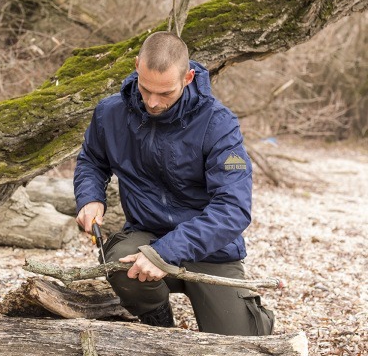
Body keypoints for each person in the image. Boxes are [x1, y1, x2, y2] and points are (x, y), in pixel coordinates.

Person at [73, 31, 274, 336]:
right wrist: (90, 198)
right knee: (118, 264)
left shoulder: (219, 125)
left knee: (240, 345)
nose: (153, 102)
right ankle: (159, 324)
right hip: (146, 235)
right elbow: (92, 160)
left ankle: (253, 318)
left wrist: (165, 253)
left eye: (165, 93)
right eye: (146, 89)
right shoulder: (109, 113)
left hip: (209, 250)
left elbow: (233, 209)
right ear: (137, 65)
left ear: (188, 77)